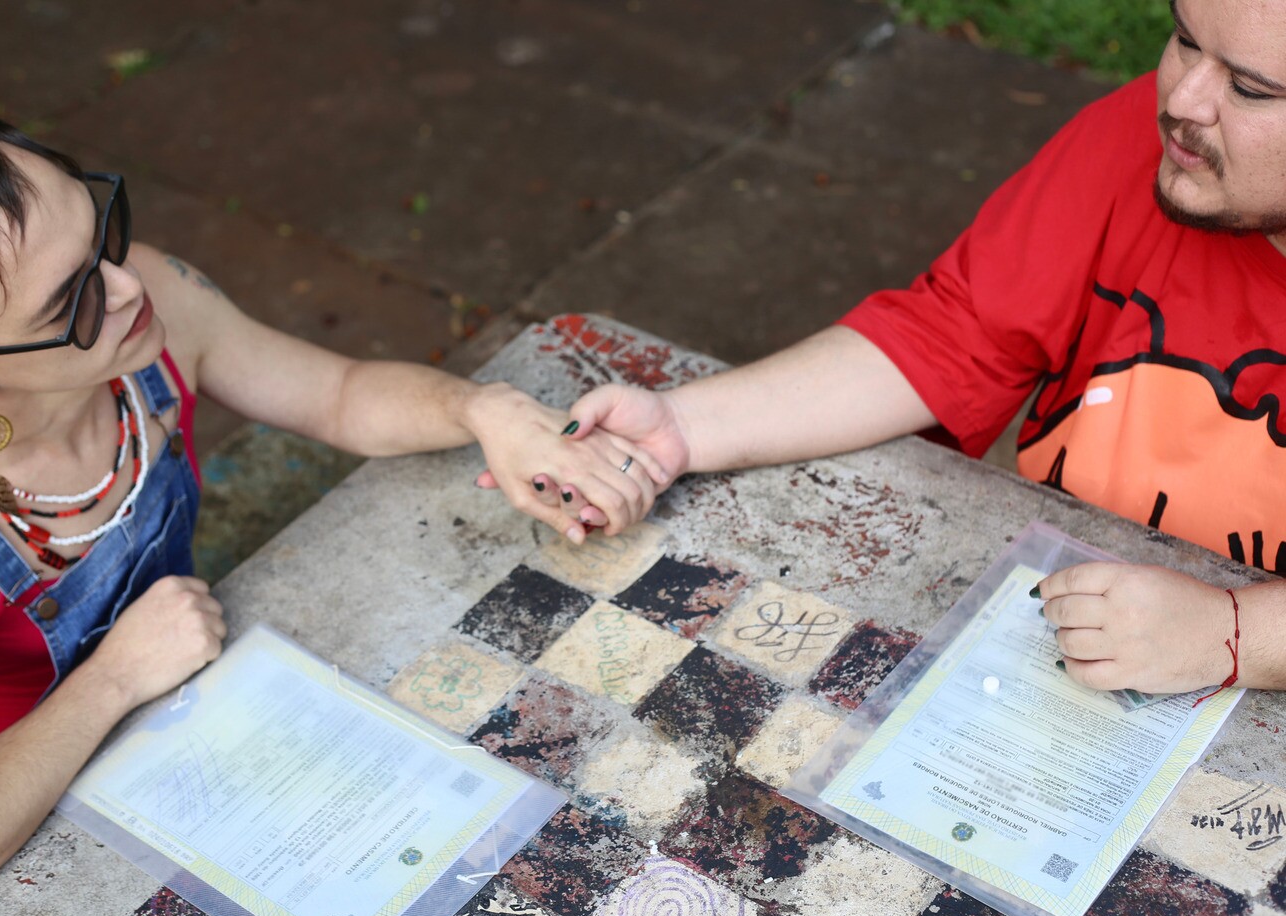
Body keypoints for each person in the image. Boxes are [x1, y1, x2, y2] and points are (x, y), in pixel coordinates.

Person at [0, 115, 665, 916]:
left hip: (205, 734)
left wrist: (483, 409)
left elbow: (337, 394)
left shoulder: (145, 302)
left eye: (101, 234)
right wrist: (112, 680)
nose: (124, 285)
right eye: (71, 300)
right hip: (13, 845)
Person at [547, 0, 1286, 697]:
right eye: (1186, 37)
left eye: (1250, 88)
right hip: (1065, 646)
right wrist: (683, 427)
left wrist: (1232, 635)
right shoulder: (1149, 137)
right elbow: (954, 337)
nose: (1182, 101)